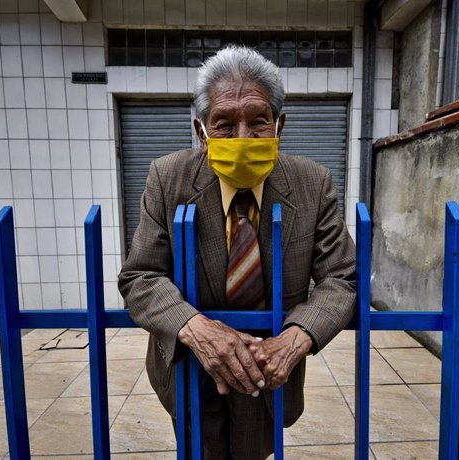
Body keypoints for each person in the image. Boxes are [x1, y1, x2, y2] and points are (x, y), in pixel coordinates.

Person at [118, 46, 356, 459]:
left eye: (258, 121)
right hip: (190, 366)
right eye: (224, 124)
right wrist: (197, 329)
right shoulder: (167, 177)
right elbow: (140, 277)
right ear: (201, 131)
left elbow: (342, 277)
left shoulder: (313, 184)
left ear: (279, 125)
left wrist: (296, 339)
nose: (243, 138)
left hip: (268, 373)